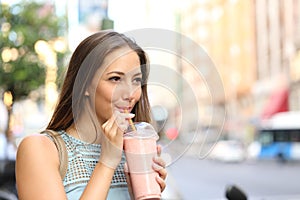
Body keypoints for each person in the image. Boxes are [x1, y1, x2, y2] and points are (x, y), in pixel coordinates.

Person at [15, 30, 167, 199]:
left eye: (136, 80)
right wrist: (107, 163)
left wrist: (144, 194)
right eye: (116, 79)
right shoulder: (40, 149)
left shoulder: (134, 150)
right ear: (84, 83)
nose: (130, 93)